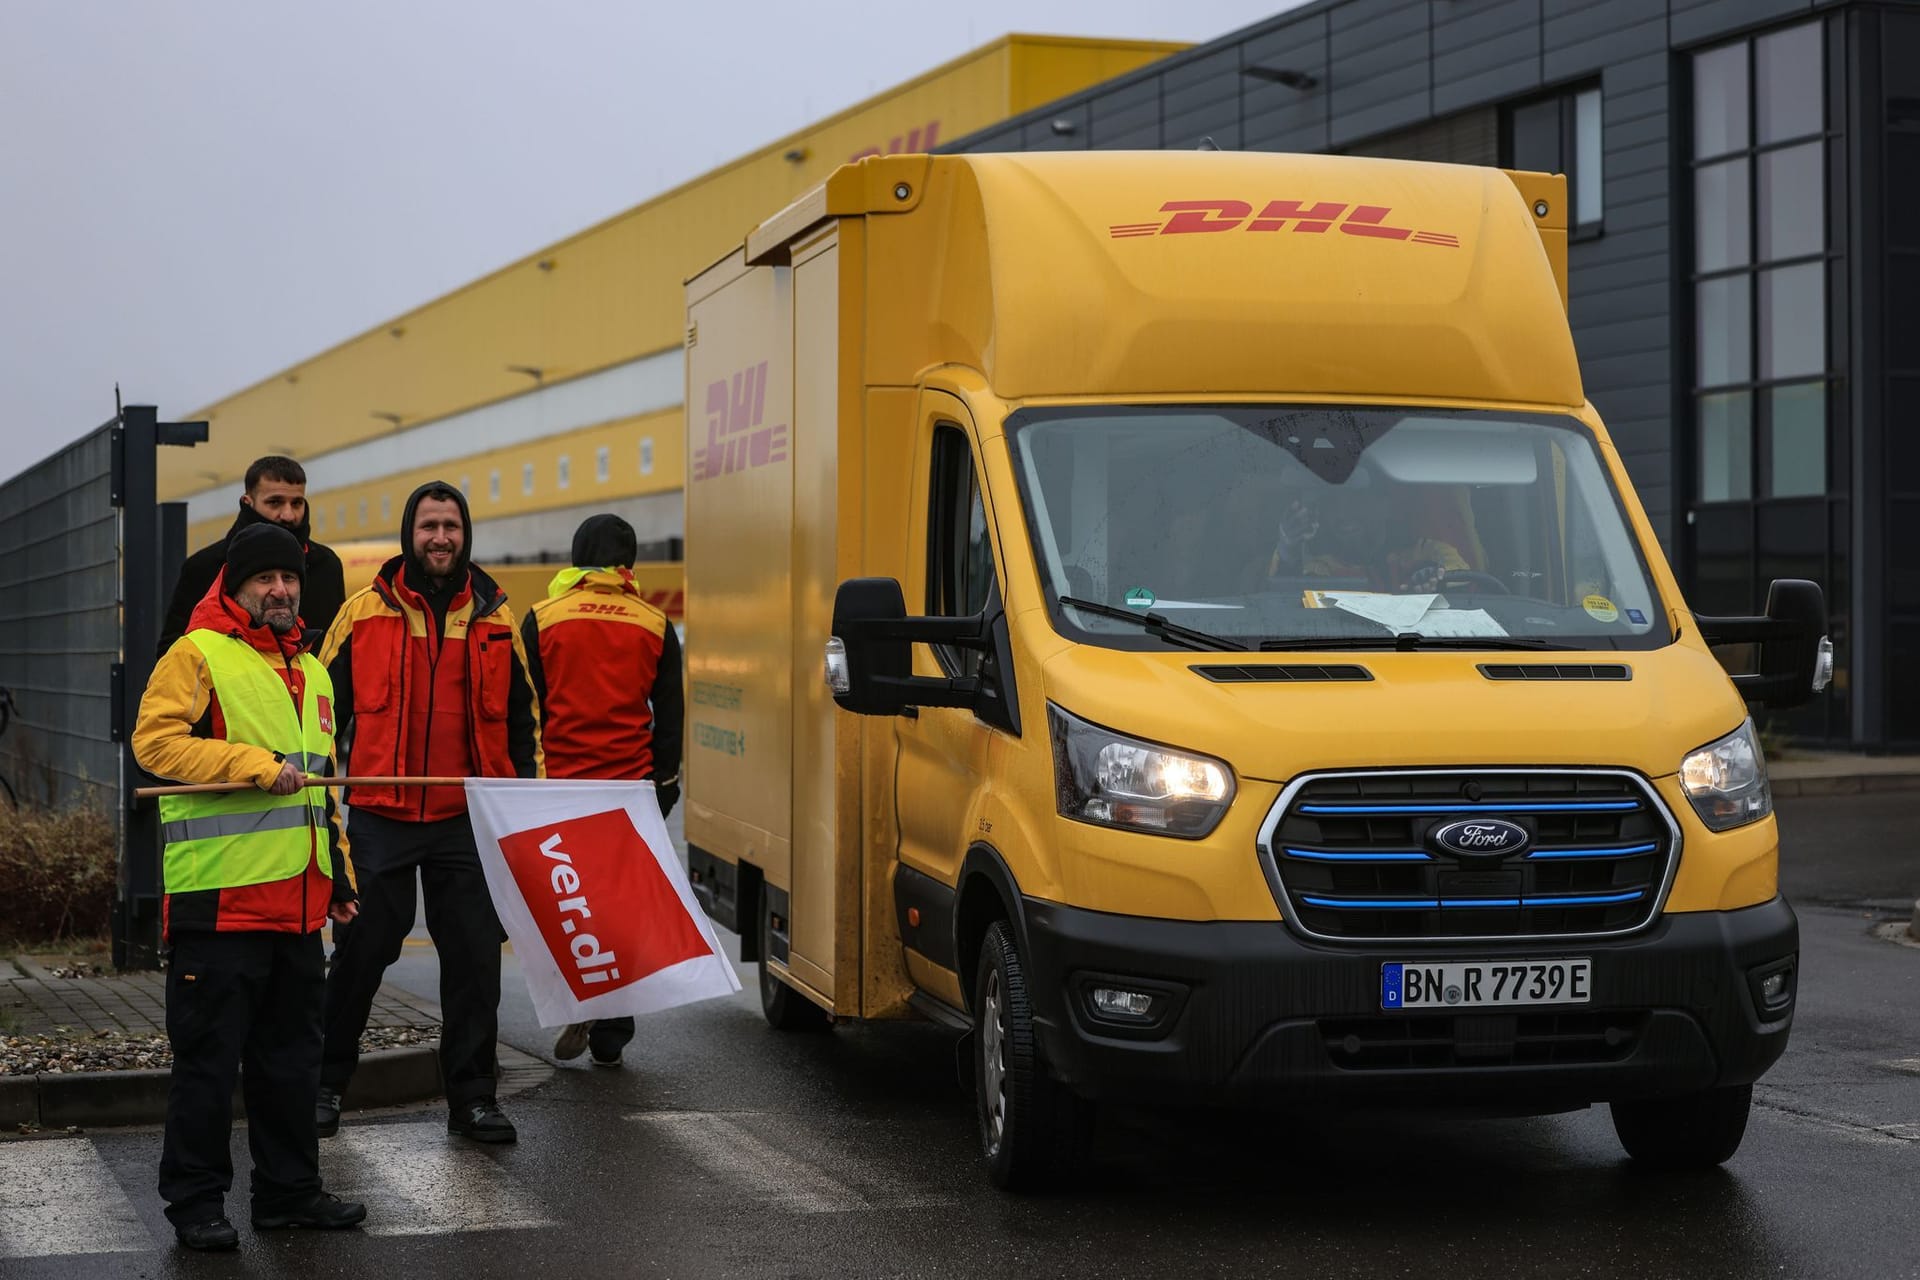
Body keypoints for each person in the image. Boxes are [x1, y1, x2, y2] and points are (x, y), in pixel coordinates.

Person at [132, 523, 366, 1251]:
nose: (281, 590)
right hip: (220, 906)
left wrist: (341, 878)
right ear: (234, 586)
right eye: (265, 579)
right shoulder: (197, 654)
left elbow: (322, 790)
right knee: (207, 1069)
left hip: (297, 911)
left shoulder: (316, 672)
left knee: (291, 1065)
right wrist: (254, 764)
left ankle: (289, 1193)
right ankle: (197, 1205)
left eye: (290, 579)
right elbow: (154, 742)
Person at [315, 481, 541, 1144]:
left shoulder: (497, 618)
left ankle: (473, 1099)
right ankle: (325, 1085)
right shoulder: (361, 613)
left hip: (466, 817)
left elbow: (526, 726)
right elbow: (319, 718)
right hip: (381, 813)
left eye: (450, 526)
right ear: (409, 535)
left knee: (474, 960)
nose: (439, 538)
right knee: (361, 951)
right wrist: (322, 815)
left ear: (464, 534)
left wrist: (521, 814)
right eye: (428, 526)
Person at [522, 514, 684, 1068]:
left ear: (574, 560)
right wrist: (664, 784)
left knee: (570, 903)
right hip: (628, 789)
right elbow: (670, 716)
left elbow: (526, 708)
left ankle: (578, 994)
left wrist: (525, 781)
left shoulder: (542, 618)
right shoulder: (654, 623)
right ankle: (614, 1026)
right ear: (628, 563)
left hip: (560, 787)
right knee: (617, 908)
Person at [160, 456, 347, 655]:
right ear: (248, 503)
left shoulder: (327, 566)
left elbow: (338, 649)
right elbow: (173, 653)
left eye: (297, 503)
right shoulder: (205, 567)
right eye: (275, 502)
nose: (288, 515)